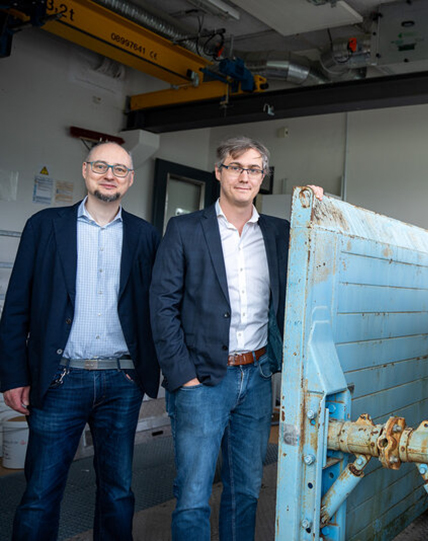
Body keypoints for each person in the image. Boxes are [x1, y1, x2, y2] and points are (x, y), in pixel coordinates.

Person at [150, 136, 322, 540]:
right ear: (219, 172)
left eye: (254, 169)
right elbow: (162, 308)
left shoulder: (280, 233)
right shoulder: (185, 229)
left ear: (263, 177)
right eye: (236, 166)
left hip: (258, 377)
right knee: (192, 494)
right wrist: (183, 377)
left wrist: (317, 205)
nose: (245, 176)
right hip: (202, 381)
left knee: (245, 490)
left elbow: (321, 248)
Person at [0, 142, 161, 540]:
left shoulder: (145, 235)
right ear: (86, 171)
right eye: (102, 166)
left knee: (118, 492)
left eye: (120, 169)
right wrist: (12, 374)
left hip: (121, 382)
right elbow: (16, 304)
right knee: (40, 492)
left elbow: (157, 308)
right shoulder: (45, 225)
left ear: (130, 179)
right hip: (59, 379)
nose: (110, 175)